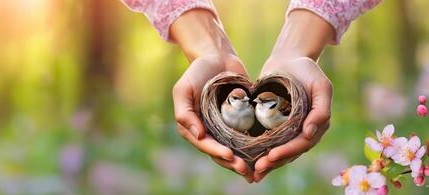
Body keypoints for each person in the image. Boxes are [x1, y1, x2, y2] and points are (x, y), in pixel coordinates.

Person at [121, 0, 382, 183]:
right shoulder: (229, 108)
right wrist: (208, 48)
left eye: (251, 101)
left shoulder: (274, 109)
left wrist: (298, 46)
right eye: (244, 100)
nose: (250, 102)